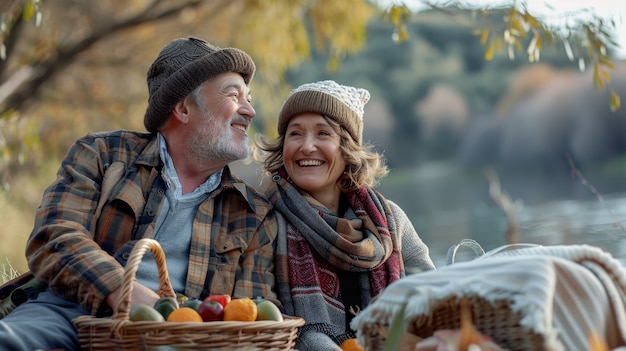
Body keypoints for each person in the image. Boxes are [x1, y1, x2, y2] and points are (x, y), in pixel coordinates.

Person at [0, 36, 277, 351]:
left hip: (179, 337)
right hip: (71, 313)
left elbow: (255, 316)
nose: (250, 110)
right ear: (183, 108)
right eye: (234, 95)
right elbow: (55, 235)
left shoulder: (254, 213)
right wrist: (122, 289)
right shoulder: (104, 154)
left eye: (249, 98)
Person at [255, 80, 436, 350]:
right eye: (295, 134)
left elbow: (432, 298)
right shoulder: (264, 221)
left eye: (323, 134)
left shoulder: (389, 221)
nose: (306, 146)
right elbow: (272, 321)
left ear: (347, 147)